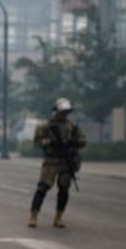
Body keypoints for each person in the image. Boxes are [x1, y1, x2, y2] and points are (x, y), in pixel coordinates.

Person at [28, 98, 86, 229]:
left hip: (66, 161)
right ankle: (33, 215)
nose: (64, 115)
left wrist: (75, 142)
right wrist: (48, 142)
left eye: (66, 112)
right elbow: (37, 142)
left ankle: (59, 217)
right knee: (43, 187)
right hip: (51, 161)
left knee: (64, 189)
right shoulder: (46, 126)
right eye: (62, 112)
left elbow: (82, 140)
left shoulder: (72, 126)